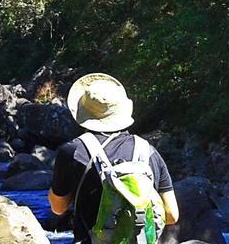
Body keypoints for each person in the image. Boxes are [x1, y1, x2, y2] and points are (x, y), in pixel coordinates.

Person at [48, 74, 180, 243]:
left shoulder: (72, 152)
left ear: (83, 113)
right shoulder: (148, 151)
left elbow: (58, 208)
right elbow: (171, 214)